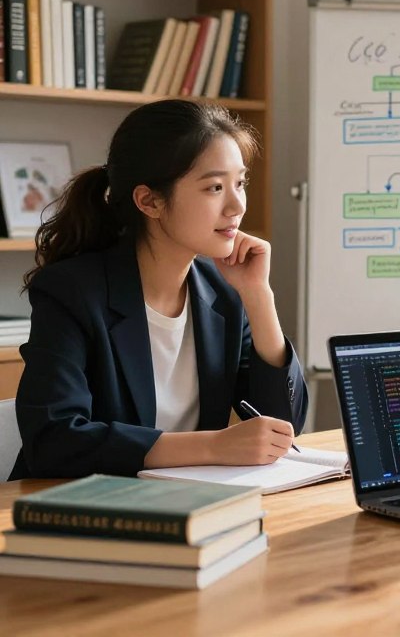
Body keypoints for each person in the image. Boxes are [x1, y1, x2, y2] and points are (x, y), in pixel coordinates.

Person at [9, 100, 307, 480]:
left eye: (240, 183)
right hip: (81, 510)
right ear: (149, 201)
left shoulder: (226, 292)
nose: (236, 206)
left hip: (185, 503)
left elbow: (282, 428)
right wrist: (213, 446)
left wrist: (259, 297)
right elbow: (54, 440)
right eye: (215, 187)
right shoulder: (73, 292)